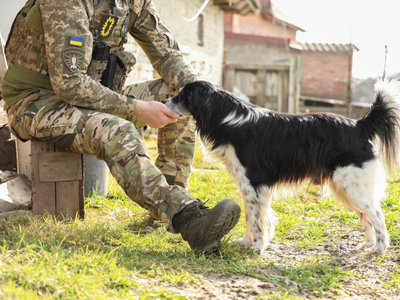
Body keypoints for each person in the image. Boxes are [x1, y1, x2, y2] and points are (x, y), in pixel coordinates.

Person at [2, 0, 241, 253]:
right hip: (37, 103)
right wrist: (137, 108)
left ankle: (171, 201)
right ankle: (189, 219)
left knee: (181, 95)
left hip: (94, 95)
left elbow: (167, 54)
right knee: (117, 131)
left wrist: (201, 93)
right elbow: (70, 84)